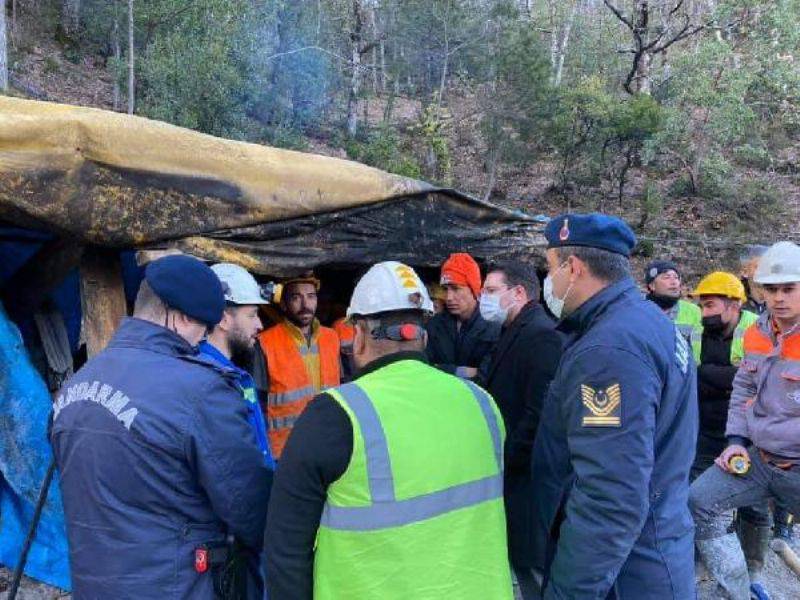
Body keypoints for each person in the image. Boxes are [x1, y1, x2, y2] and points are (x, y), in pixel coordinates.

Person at [263, 261, 513, 600]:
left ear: (360, 335)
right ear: (422, 335)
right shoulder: (483, 404)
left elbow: (285, 550)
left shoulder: (334, 415)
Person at [50, 255, 271, 599]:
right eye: (203, 328)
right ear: (182, 317)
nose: (201, 343)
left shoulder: (77, 385)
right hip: (178, 587)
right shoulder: (201, 391)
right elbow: (252, 511)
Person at [530, 214, 698, 599]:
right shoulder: (647, 322)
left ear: (574, 268)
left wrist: (568, 592)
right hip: (654, 550)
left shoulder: (608, 350)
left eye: (550, 267)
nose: (548, 280)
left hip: (626, 575)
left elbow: (611, 497)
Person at [690, 241, 800, 600]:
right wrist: (736, 439)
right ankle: (741, 591)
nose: (779, 298)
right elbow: (742, 389)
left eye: (789, 289)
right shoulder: (757, 333)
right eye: (771, 289)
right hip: (757, 457)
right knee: (698, 502)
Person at [477, 261, 562, 597]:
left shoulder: (541, 335)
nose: (484, 297)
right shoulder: (511, 330)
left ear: (519, 293)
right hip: (514, 469)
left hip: (529, 473)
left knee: (535, 563)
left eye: (491, 291)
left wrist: (509, 457)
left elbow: (538, 410)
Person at [254, 272, 341, 459]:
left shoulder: (332, 338)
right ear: (284, 305)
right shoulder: (266, 342)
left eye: (311, 297)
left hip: (328, 441)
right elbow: (257, 403)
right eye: (296, 297)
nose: (305, 305)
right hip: (285, 451)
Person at [201, 262, 276, 470]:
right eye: (252, 315)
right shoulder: (209, 381)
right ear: (223, 320)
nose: (260, 325)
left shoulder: (232, 376)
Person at [425, 252, 500, 379]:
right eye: (445, 289)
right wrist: (468, 372)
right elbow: (424, 369)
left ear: (474, 289)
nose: (448, 297)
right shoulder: (434, 325)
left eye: (455, 288)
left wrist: (442, 369)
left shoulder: (494, 327)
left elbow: (490, 374)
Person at [645, 259, 702, 342]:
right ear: (652, 285)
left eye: (676, 277)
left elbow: (698, 347)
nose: (674, 282)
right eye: (666, 277)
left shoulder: (693, 311)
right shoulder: (638, 311)